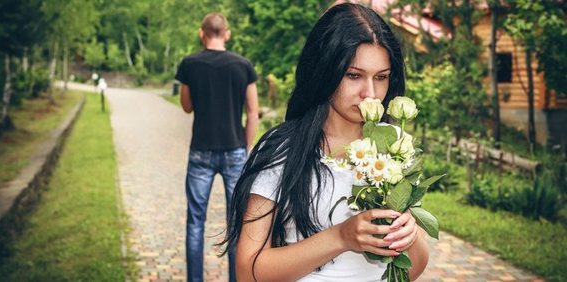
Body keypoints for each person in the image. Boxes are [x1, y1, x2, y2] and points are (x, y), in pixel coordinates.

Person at [220, 3, 429, 281]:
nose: (371, 93)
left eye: (381, 77)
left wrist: (409, 235)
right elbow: (248, 271)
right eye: (353, 75)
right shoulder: (284, 149)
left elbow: (413, 269)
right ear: (324, 70)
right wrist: (341, 237)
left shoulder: (394, 147)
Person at [175, 12, 259, 282]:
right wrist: (244, 148)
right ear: (227, 34)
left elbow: (187, 107)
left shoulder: (189, 64)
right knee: (236, 226)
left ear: (202, 33)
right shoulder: (243, 65)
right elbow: (253, 113)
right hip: (234, 150)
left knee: (195, 223)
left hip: (200, 151)